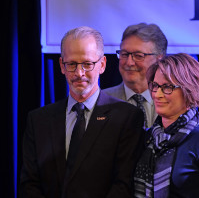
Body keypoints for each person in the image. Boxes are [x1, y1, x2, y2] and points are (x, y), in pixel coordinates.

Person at [20, 26, 144, 198]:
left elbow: (124, 184)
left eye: (87, 64)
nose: (79, 73)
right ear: (62, 66)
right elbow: (29, 184)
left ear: (102, 65)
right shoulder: (38, 120)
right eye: (71, 64)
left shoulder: (127, 117)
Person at [134, 53, 199, 197]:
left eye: (167, 87)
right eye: (155, 86)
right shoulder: (148, 137)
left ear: (189, 90)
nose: (157, 94)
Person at [103, 23, 168, 129]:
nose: (129, 62)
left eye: (138, 56)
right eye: (124, 54)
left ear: (159, 59)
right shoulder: (101, 102)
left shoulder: (174, 101)